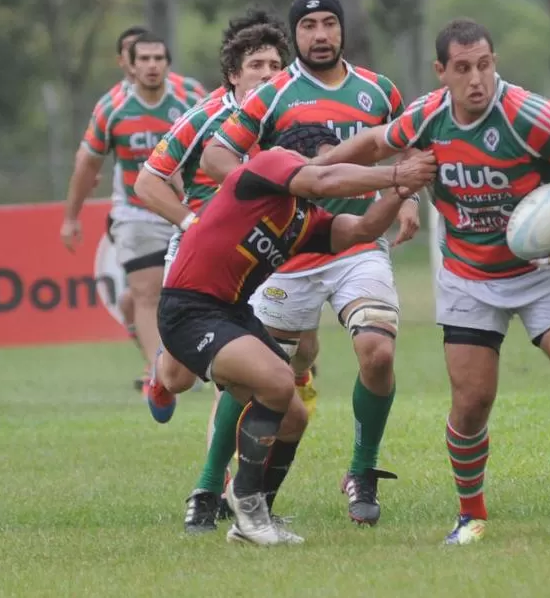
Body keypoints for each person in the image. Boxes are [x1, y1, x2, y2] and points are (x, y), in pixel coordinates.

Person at [317, 18, 550, 545]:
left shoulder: (529, 115)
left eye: (486, 65)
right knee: (471, 403)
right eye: (464, 68)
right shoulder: (427, 117)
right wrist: (314, 168)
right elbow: (375, 144)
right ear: (441, 72)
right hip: (468, 278)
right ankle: (471, 514)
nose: (477, 79)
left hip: (543, 274)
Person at [200, 0, 418, 526]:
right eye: (308, 26)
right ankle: (208, 486)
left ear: (341, 29)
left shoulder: (378, 90)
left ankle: (362, 471)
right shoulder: (274, 94)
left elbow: (409, 146)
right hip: (288, 249)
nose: (320, 35)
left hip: (356, 241)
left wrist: (409, 197)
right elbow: (215, 153)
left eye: (328, 24)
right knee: (254, 374)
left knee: (379, 353)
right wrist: (257, 189)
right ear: (294, 34)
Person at [157, 144, 437, 546]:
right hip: (190, 309)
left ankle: (253, 520)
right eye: (326, 159)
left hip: (231, 313)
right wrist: (396, 174)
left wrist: (400, 191)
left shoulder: (303, 220)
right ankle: (245, 505)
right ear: (302, 161)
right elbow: (323, 177)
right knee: (275, 379)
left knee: (293, 417)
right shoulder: (266, 168)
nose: (335, 172)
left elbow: (360, 231)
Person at [134, 18, 308, 534]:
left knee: (253, 374)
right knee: (179, 377)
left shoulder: (286, 120)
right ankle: (160, 379)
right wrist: (192, 222)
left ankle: (216, 488)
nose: (268, 74)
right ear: (232, 75)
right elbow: (148, 182)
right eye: (256, 66)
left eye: (277, 66)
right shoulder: (207, 117)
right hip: (197, 263)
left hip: (260, 264)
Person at [70, 25, 208, 390]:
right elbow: (87, 161)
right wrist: (71, 217)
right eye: (142, 59)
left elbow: (220, 142)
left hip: (185, 208)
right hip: (135, 211)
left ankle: (198, 361)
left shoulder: (191, 95)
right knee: (147, 292)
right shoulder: (112, 108)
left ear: (167, 62)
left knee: (179, 293)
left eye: (157, 58)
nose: (150, 65)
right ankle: (158, 373)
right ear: (128, 66)